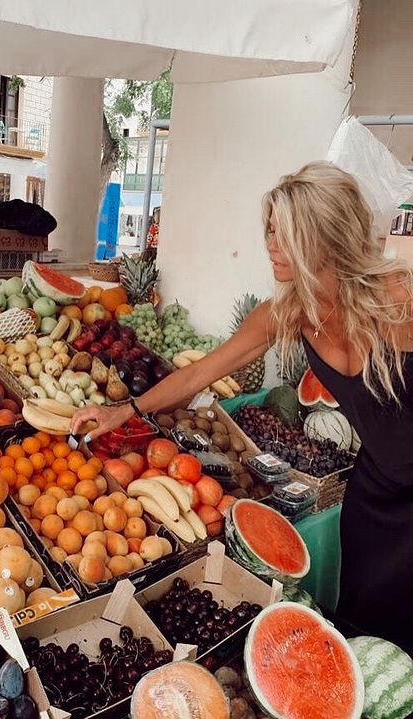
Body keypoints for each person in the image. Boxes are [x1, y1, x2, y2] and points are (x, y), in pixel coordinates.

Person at [72, 162, 413, 655]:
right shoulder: (286, 313)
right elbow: (197, 375)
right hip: (374, 495)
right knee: (362, 631)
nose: (271, 245)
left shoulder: (398, 302)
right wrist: (125, 411)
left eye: (286, 233)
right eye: (270, 231)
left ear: (326, 237)